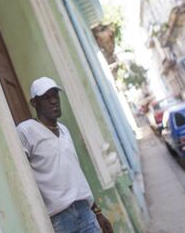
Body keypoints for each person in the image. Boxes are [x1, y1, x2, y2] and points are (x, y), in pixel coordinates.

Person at [17, 77, 113, 233]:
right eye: (47, 97)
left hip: (84, 211)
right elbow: (22, 176)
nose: (54, 101)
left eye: (55, 95)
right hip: (60, 219)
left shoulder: (64, 130)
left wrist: (97, 212)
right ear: (34, 103)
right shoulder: (26, 131)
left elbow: (76, 174)